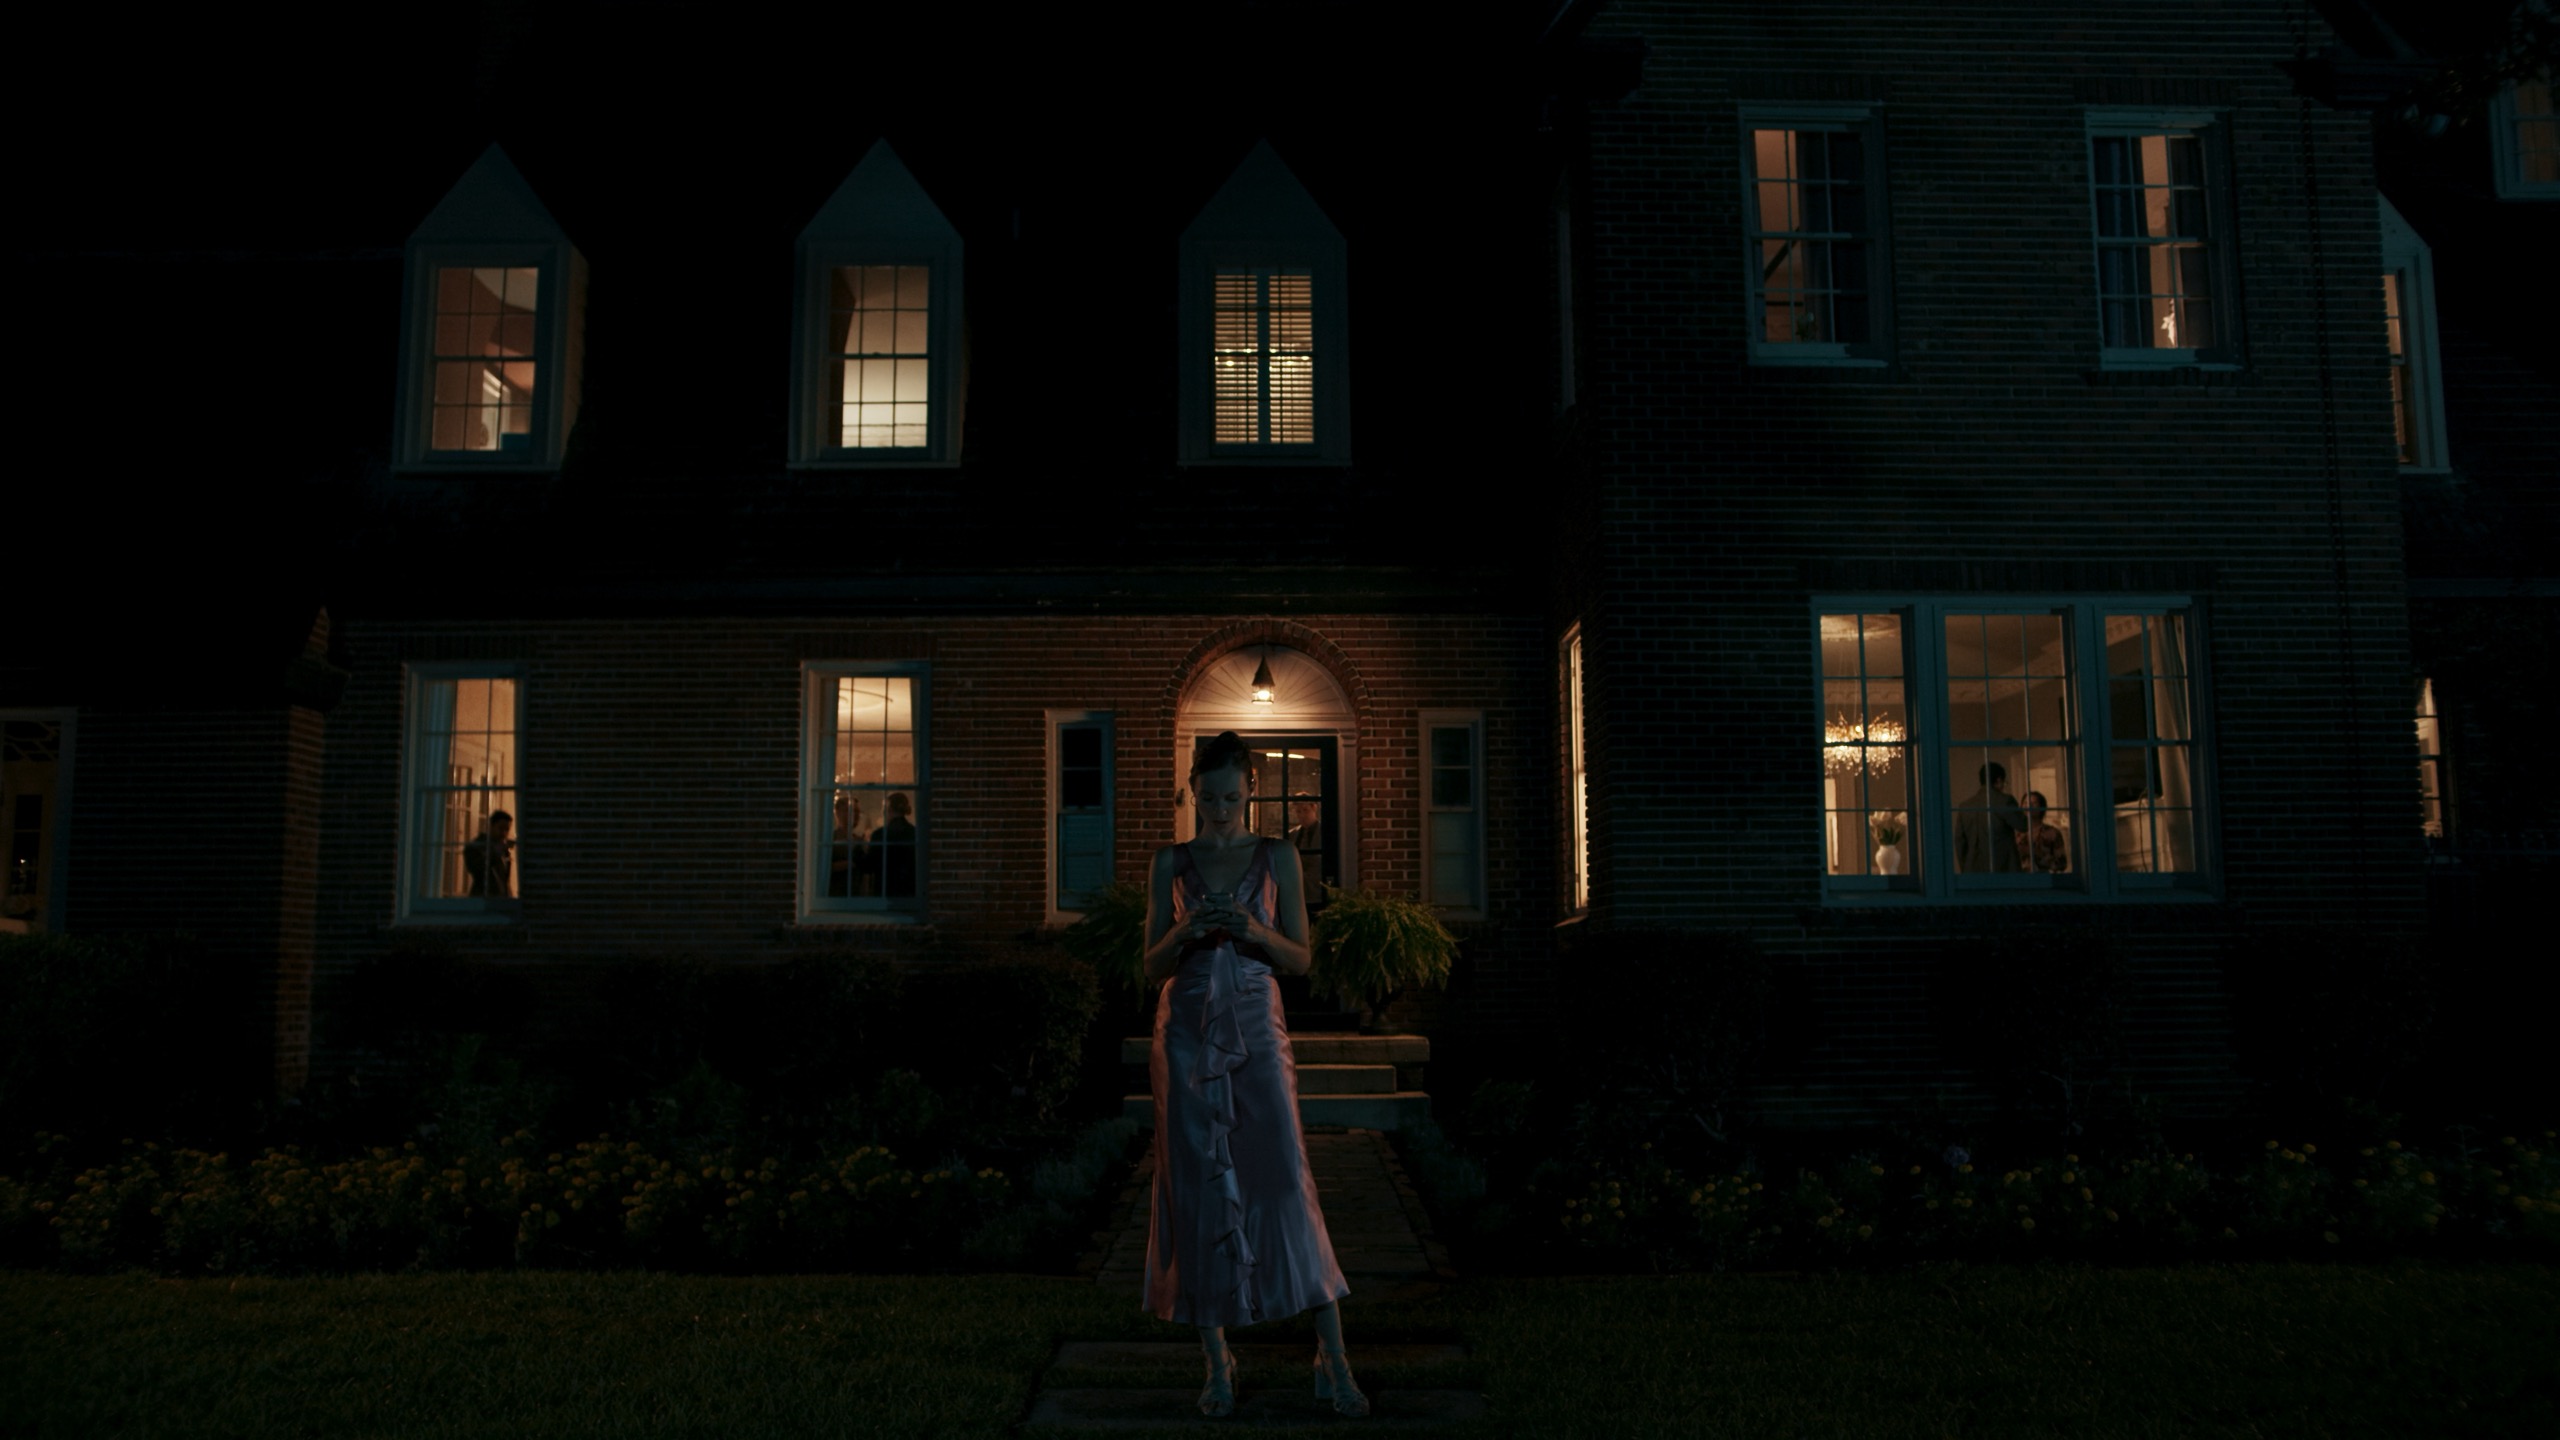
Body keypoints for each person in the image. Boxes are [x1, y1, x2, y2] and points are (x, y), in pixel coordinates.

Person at [1142, 730, 1364, 1418]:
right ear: (1192, 791)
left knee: (1284, 1180)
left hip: (1256, 1024)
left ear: (1251, 792)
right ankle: (1217, 1363)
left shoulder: (1278, 857)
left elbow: (1301, 959)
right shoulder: (1170, 861)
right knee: (1199, 1185)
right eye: (1207, 799)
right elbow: (1148, 964)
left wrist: (1250, 928)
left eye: (1231, 799)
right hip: (1186, 1031)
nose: (1219, 811)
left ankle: (1333, 1356)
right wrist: (1183, 932)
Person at [1952, 763, 2025, 874]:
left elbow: (1960, 841)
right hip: (2003, 868)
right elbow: (2023, 825)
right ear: (1999, 780)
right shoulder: (2005, 801)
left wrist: (1966, 867)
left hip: (1973, 869)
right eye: (2004, 783)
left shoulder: (1965, 806)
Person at [868, 792, 915, 899]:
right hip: (909, 893)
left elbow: (870, 865)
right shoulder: (914, 833)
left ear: (888, 810)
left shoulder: (880, 835)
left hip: (884, 893)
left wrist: (856, 849)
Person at [462, 810, 514, 897]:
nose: (504, 833)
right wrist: (494, 853)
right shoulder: (475, 846)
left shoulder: (503, 849)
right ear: (491, 826)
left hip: (500, 899)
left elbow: (504, 879)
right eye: (501, 828)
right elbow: (476, 869)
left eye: (507, 829)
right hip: (482, 897)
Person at [2017, 789, 2070, 873]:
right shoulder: (2015, 833)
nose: (2029, 806)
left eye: (2034, 803)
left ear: (2041, 807)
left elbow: (2062, 863)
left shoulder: (2052, 833)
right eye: (2026, 803)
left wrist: (2040, 856)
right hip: (2018, 878)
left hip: (2044, 877)